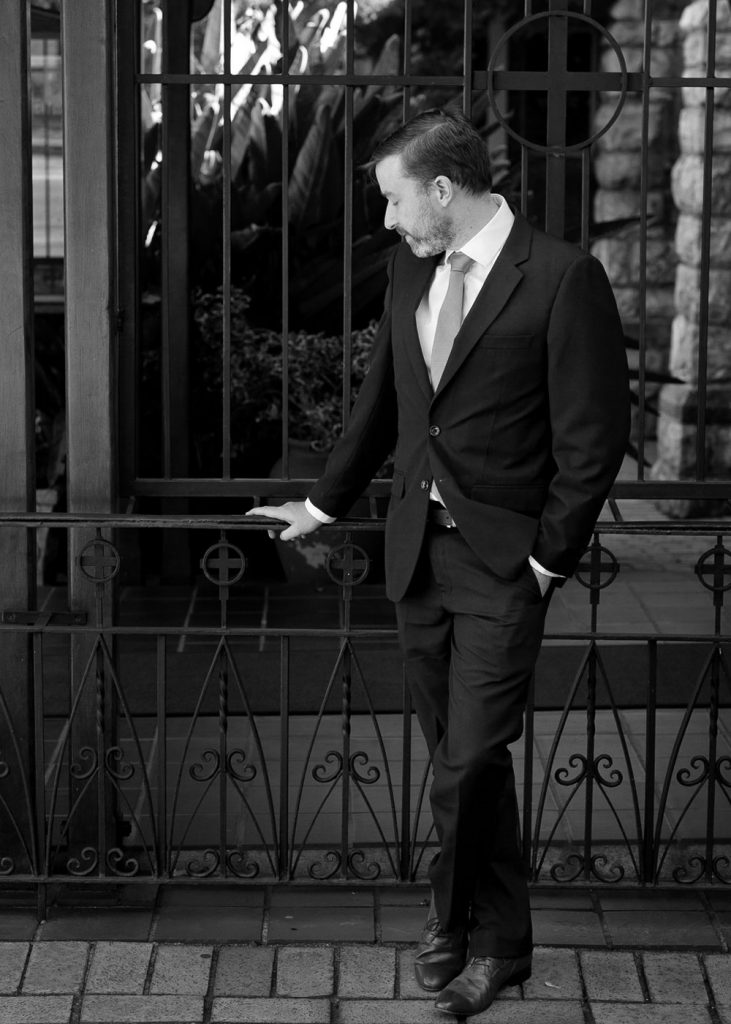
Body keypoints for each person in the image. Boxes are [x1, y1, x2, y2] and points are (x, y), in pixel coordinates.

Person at [249, 107, 629, 1017]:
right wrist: (321, 504)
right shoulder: (408, 270)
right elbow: (385, 400)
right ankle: (500, 944)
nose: (384, 221)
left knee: (464, 762)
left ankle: (445, 918)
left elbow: (593, 438)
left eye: (392, 199)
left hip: (504, 565)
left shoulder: (563, 277)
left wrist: (546, 562)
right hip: (415, 557)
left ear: (445, 190)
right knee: (466, 761)